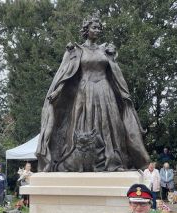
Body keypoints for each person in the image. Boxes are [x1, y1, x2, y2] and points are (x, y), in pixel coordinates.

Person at [36, 13, 149, 172]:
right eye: (94, 27)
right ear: (86, 30)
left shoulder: (106, 50)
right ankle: (83, 161)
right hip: (84, 92)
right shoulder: (76, 50)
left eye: (99, 28)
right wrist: (57, 92)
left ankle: (113, 161)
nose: (98, 30)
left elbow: (115, 74)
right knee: (84, 125)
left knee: (111, 126)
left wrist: (122, 89)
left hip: (105, 90)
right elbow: (65, 74)